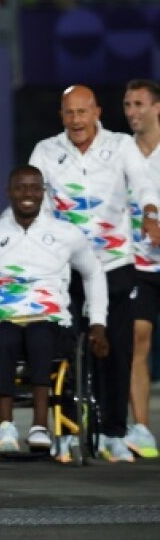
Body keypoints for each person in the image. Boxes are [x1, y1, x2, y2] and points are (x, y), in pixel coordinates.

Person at [29, 85, 160, 462]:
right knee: (65, 352)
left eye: (82, 112)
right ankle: (67, 432)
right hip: (65, 268)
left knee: (117, 350)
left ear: (97, 112)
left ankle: (113, 433)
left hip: (114, 264)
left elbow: (143, 184)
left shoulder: (120, 146)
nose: (76, 121)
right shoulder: (46, 150)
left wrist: (150, 213)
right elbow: (33, 197)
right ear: (61, 116)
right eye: (69, 113)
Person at [0, 165, 109, 458]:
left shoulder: (65, 233)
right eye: (21, 187)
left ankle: (39, 426)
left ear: (43, 193)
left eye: (35, 187)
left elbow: (94, 273)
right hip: (5, 318)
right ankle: (6, 426)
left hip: (51, 321)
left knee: (39, 336)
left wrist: (97, 322)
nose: (28, 194)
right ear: (9, 192)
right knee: (4, 338)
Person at [124, 78, 160, 457]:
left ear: (157, 107)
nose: (132, 112)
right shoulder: (122, 153)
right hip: (139, 264)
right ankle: (142, 429)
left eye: (139, 104)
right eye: (127, 105)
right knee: (138, 339)